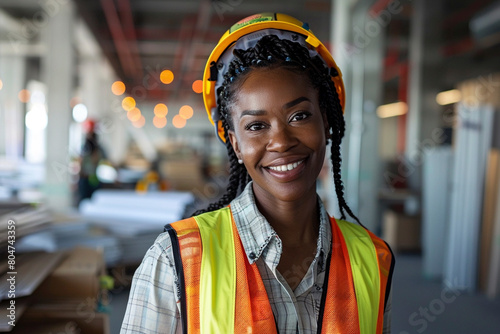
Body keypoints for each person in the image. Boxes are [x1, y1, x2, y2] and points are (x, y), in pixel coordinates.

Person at [121, 13, 394, 334]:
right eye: (256, 125)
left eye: (299, 115)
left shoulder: (371, 258)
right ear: (235, 143)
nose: (280, 141)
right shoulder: (177, 259)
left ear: (327, 122)